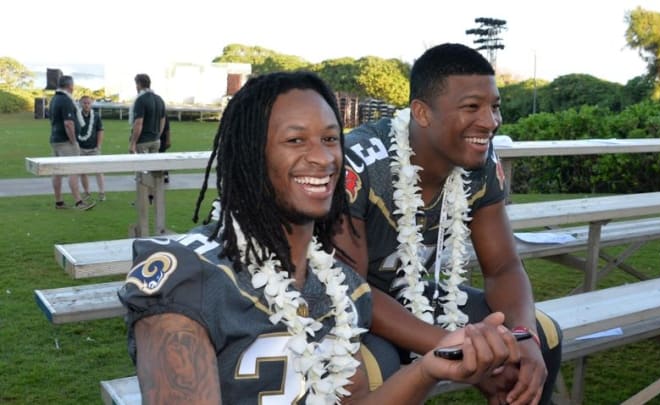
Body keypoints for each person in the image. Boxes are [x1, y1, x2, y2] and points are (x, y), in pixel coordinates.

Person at [118, 71, 523, 404]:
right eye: (296, 140)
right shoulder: (187, 275)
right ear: (250, 155)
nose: (323, 158)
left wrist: (430, 368)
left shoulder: (338, 284)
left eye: (330, 139)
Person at [333, 43, 562, 404]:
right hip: (346, 306)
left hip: (413, 294)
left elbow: (503, 267)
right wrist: (458, 348)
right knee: (380, 366)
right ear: (422, 113)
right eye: (472, 107)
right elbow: (353, 291)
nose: (490, 122)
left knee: (540, 337)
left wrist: (523, 336)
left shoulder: (480, 162)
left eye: (494, 107)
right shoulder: (364, 162)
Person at [48, 75, 95, 211]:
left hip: (55, 139)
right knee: (73, 171)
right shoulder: (65, 100)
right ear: (70, 86)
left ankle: (59, 202)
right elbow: (68, 123)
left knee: (57, 172)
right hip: (66, 141)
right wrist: (73, 141)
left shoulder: (54, 99)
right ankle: (79, 202)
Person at [77, 95, 106, 201]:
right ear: (80, 103)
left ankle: (102, 192)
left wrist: (99, 145)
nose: (86, 105)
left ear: (91, 104)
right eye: (84, 103)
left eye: (88, 103)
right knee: (83, 171)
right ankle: (87, 192)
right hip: (80, 148)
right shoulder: (77, 115)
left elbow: (100, 130)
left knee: (99, 170)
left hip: (94, 148)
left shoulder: (96, 116)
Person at [129, 73, 166, 154]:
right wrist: (158, 135)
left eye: (136, 84)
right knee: (153, 166)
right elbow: (163, 120)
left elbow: (138, 123)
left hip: (142, 141)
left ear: (139, 84)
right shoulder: (159, 99)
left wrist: (133, 143)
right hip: (156, 140)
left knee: (142, 166)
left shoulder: (140, 100)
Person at [159, 117, 171, 183]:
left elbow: (167, 128)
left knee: (161, 157)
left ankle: (165, 175)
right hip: (156, 138)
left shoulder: (163, 113)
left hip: (162, 139)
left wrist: (168, 140)